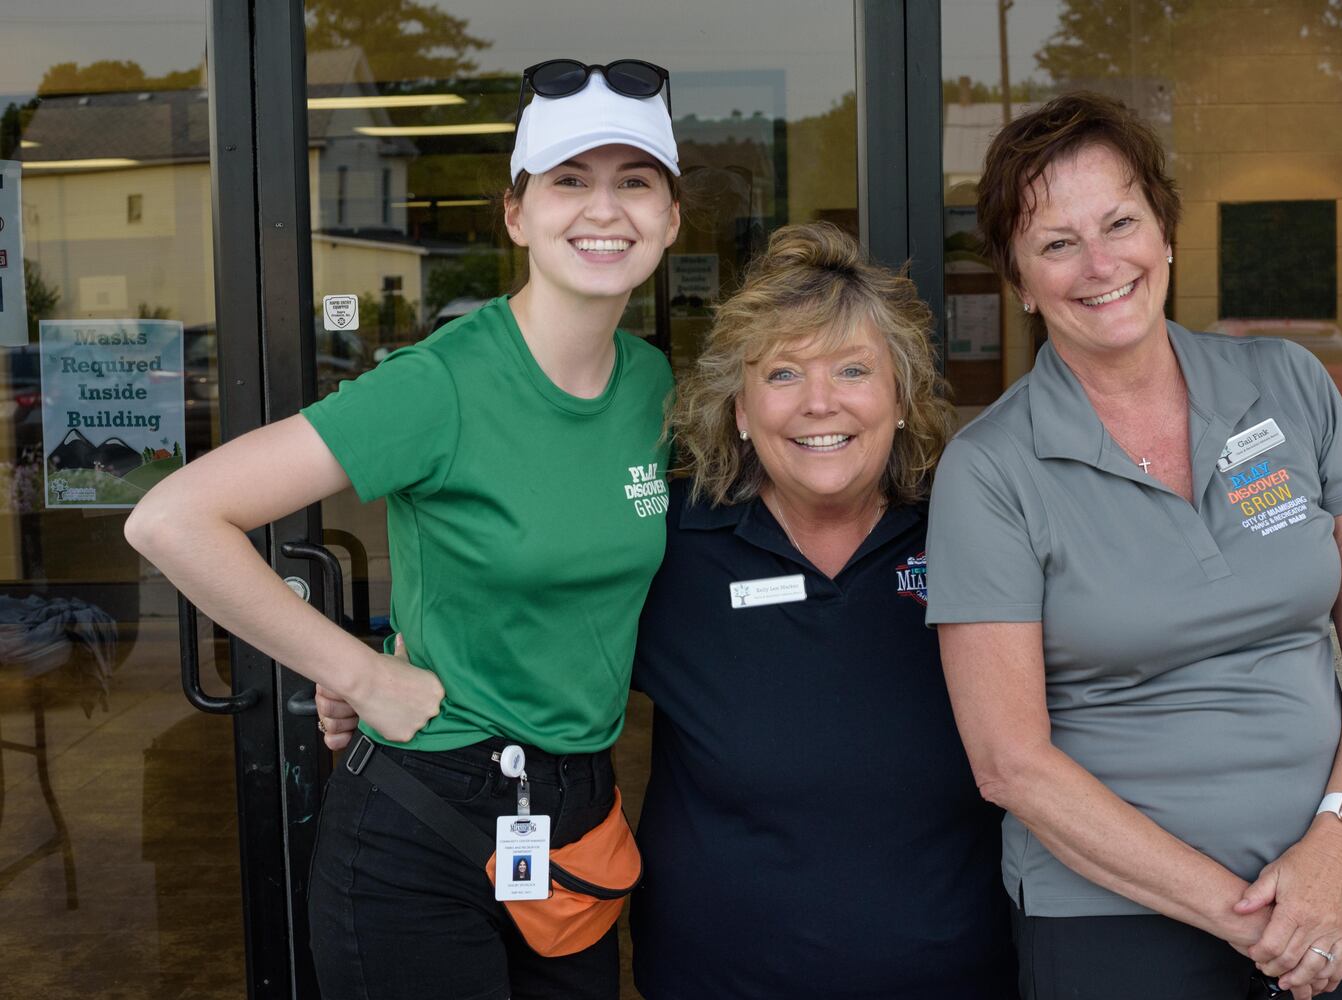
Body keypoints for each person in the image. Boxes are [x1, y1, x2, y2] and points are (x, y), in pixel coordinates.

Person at [125, 59, 682, 1000]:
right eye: (570, 182)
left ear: (671, 217)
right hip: (422, 821)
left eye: (636, 182)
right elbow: (173, 518)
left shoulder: (653, 386)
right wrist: (358, 673)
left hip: (574, 813)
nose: (605, 210)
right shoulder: (442, 383)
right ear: (517, 216)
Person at [926, 92, 1342, 1000]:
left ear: (1167, 234)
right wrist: (1257, 917)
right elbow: (1010, 762)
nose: (1101, 263)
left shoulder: (1289, 384)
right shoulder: (990, 469)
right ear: (1020, 280)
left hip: (1324, 886)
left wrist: (1338, 843)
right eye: (1057, 242)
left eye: (1121, 222)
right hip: (1114, 920)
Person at [629, 222, 1017, 999]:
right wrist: (395, 669)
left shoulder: (977, 534)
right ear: (739, 409)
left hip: (953, 977)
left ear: (900, 397)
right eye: (781, 374)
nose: (819, 403)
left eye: (851, 369)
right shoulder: (666, 544)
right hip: (717, 981)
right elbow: (531, 637)